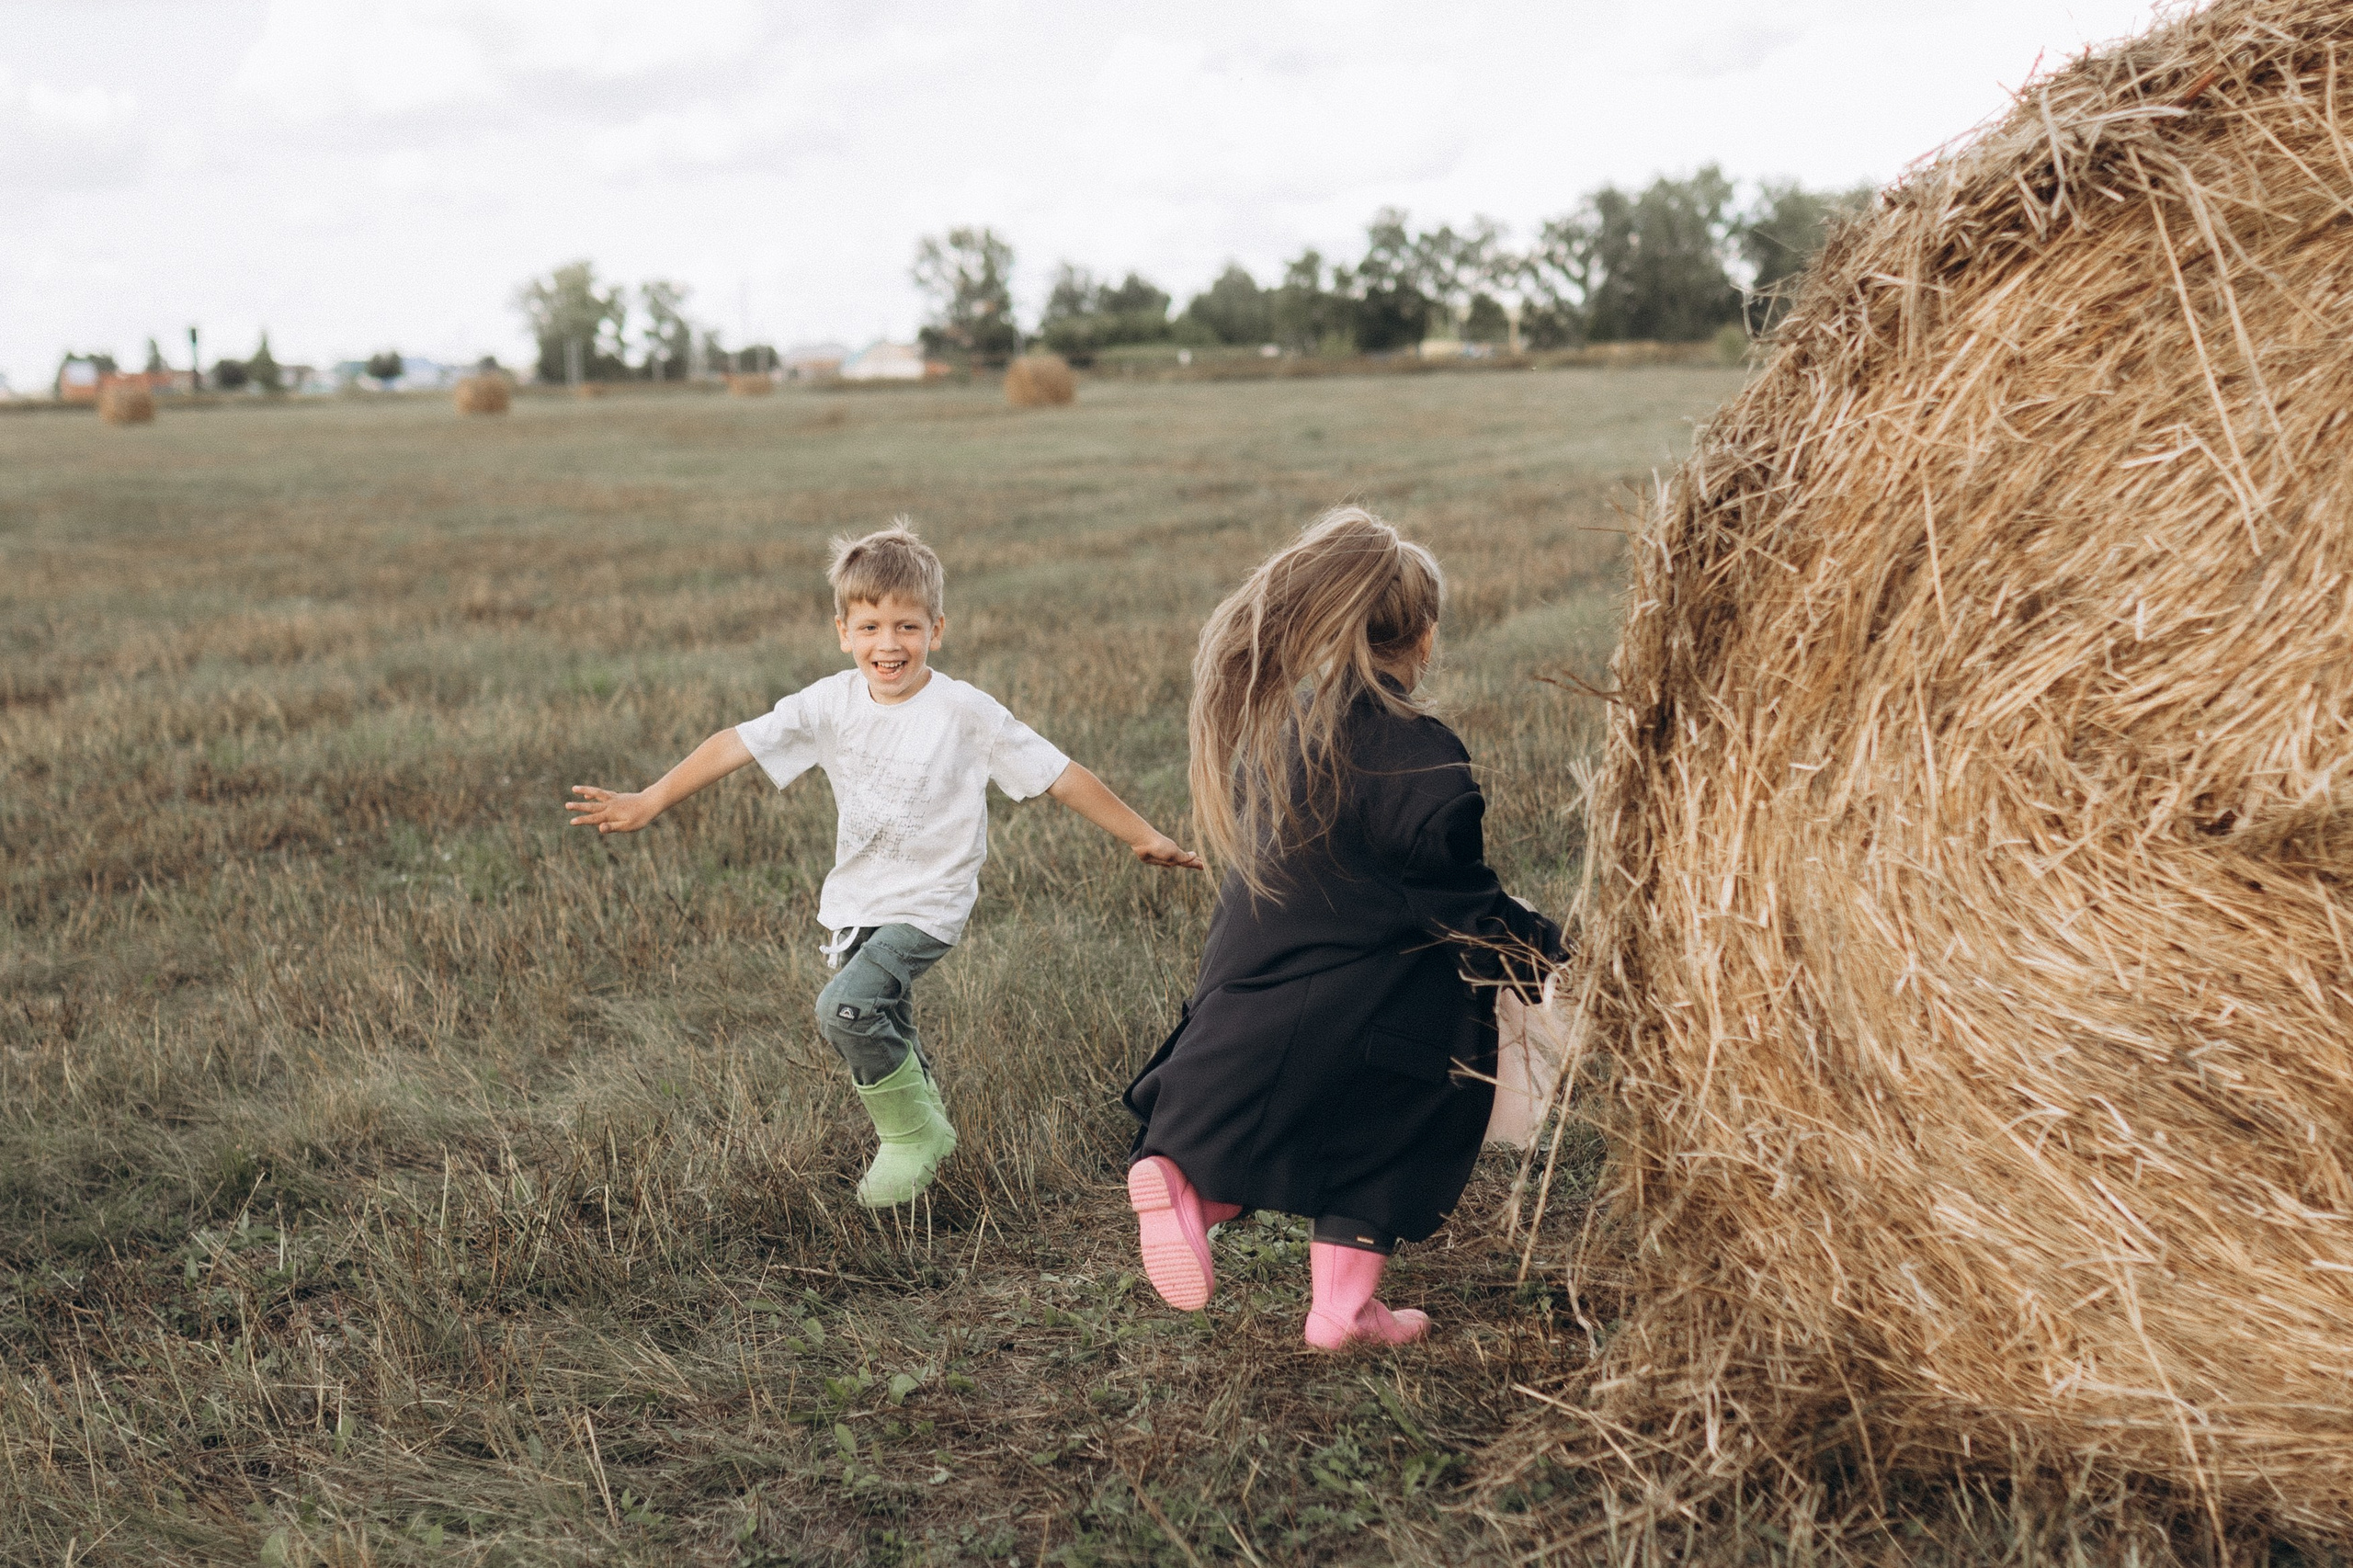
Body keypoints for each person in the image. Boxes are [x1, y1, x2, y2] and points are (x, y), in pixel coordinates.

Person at [568, 523, 1201, 1207]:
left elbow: (1058, 774)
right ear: (843, 632)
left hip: (929, 904)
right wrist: (652, 799)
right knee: (885, 1018)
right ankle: (930, 1128)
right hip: (857, 900)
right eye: (870, 627)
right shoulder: (829, 703)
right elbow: (736, 744)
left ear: (937, 628)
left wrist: (1142, 834)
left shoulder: (965, 712)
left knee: (846, 1010)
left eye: (906, 626)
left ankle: (909, 1136)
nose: (888, 644)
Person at [1123, 506, 1563, 1349]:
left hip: (1256, 992)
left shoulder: (1286, 734)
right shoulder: (1419, 755)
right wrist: (1546, 950)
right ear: (1423, 638)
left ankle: (1198, 1193)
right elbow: (1457, 901)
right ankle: (1341, 1306)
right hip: (1360, 1016)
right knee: (1424, 1078)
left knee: (1338, 1100)